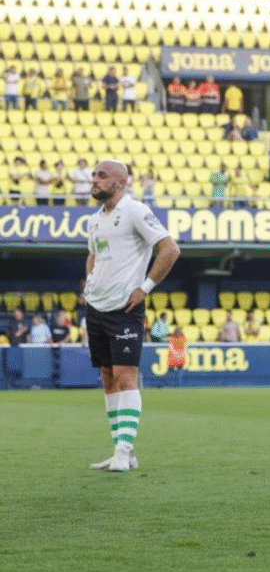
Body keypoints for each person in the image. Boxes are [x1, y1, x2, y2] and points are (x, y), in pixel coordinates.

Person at [84, 159, 181, 472]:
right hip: (96, 307)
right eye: (94, 175)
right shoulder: (95, 220)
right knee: (108, 378)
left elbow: (170, 249)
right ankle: (123, 450)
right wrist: (90, 284)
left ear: (121, 182)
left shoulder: (136, 211)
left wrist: (145, 287)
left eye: (102, 175)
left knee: (126, 377)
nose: (94, 180)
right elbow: (93, 255)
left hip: (125, 308)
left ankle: (123, 452)